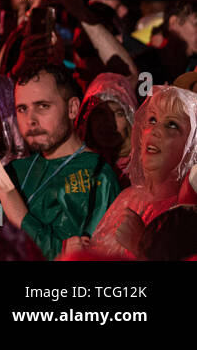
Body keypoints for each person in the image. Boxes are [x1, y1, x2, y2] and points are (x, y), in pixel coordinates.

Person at [0, 64, 121, 259]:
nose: (30, 120)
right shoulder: (14, 170)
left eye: (43, 106)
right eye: (22, 109)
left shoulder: (98, 175)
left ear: (72, 109)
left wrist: (10, 199)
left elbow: (78, 256)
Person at [71, 86, 197, 258]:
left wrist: (141, 245)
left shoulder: (187, 216)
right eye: (152, 120)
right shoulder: (128, 197)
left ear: (192, 145)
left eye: (172, 124)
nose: (155, 130)